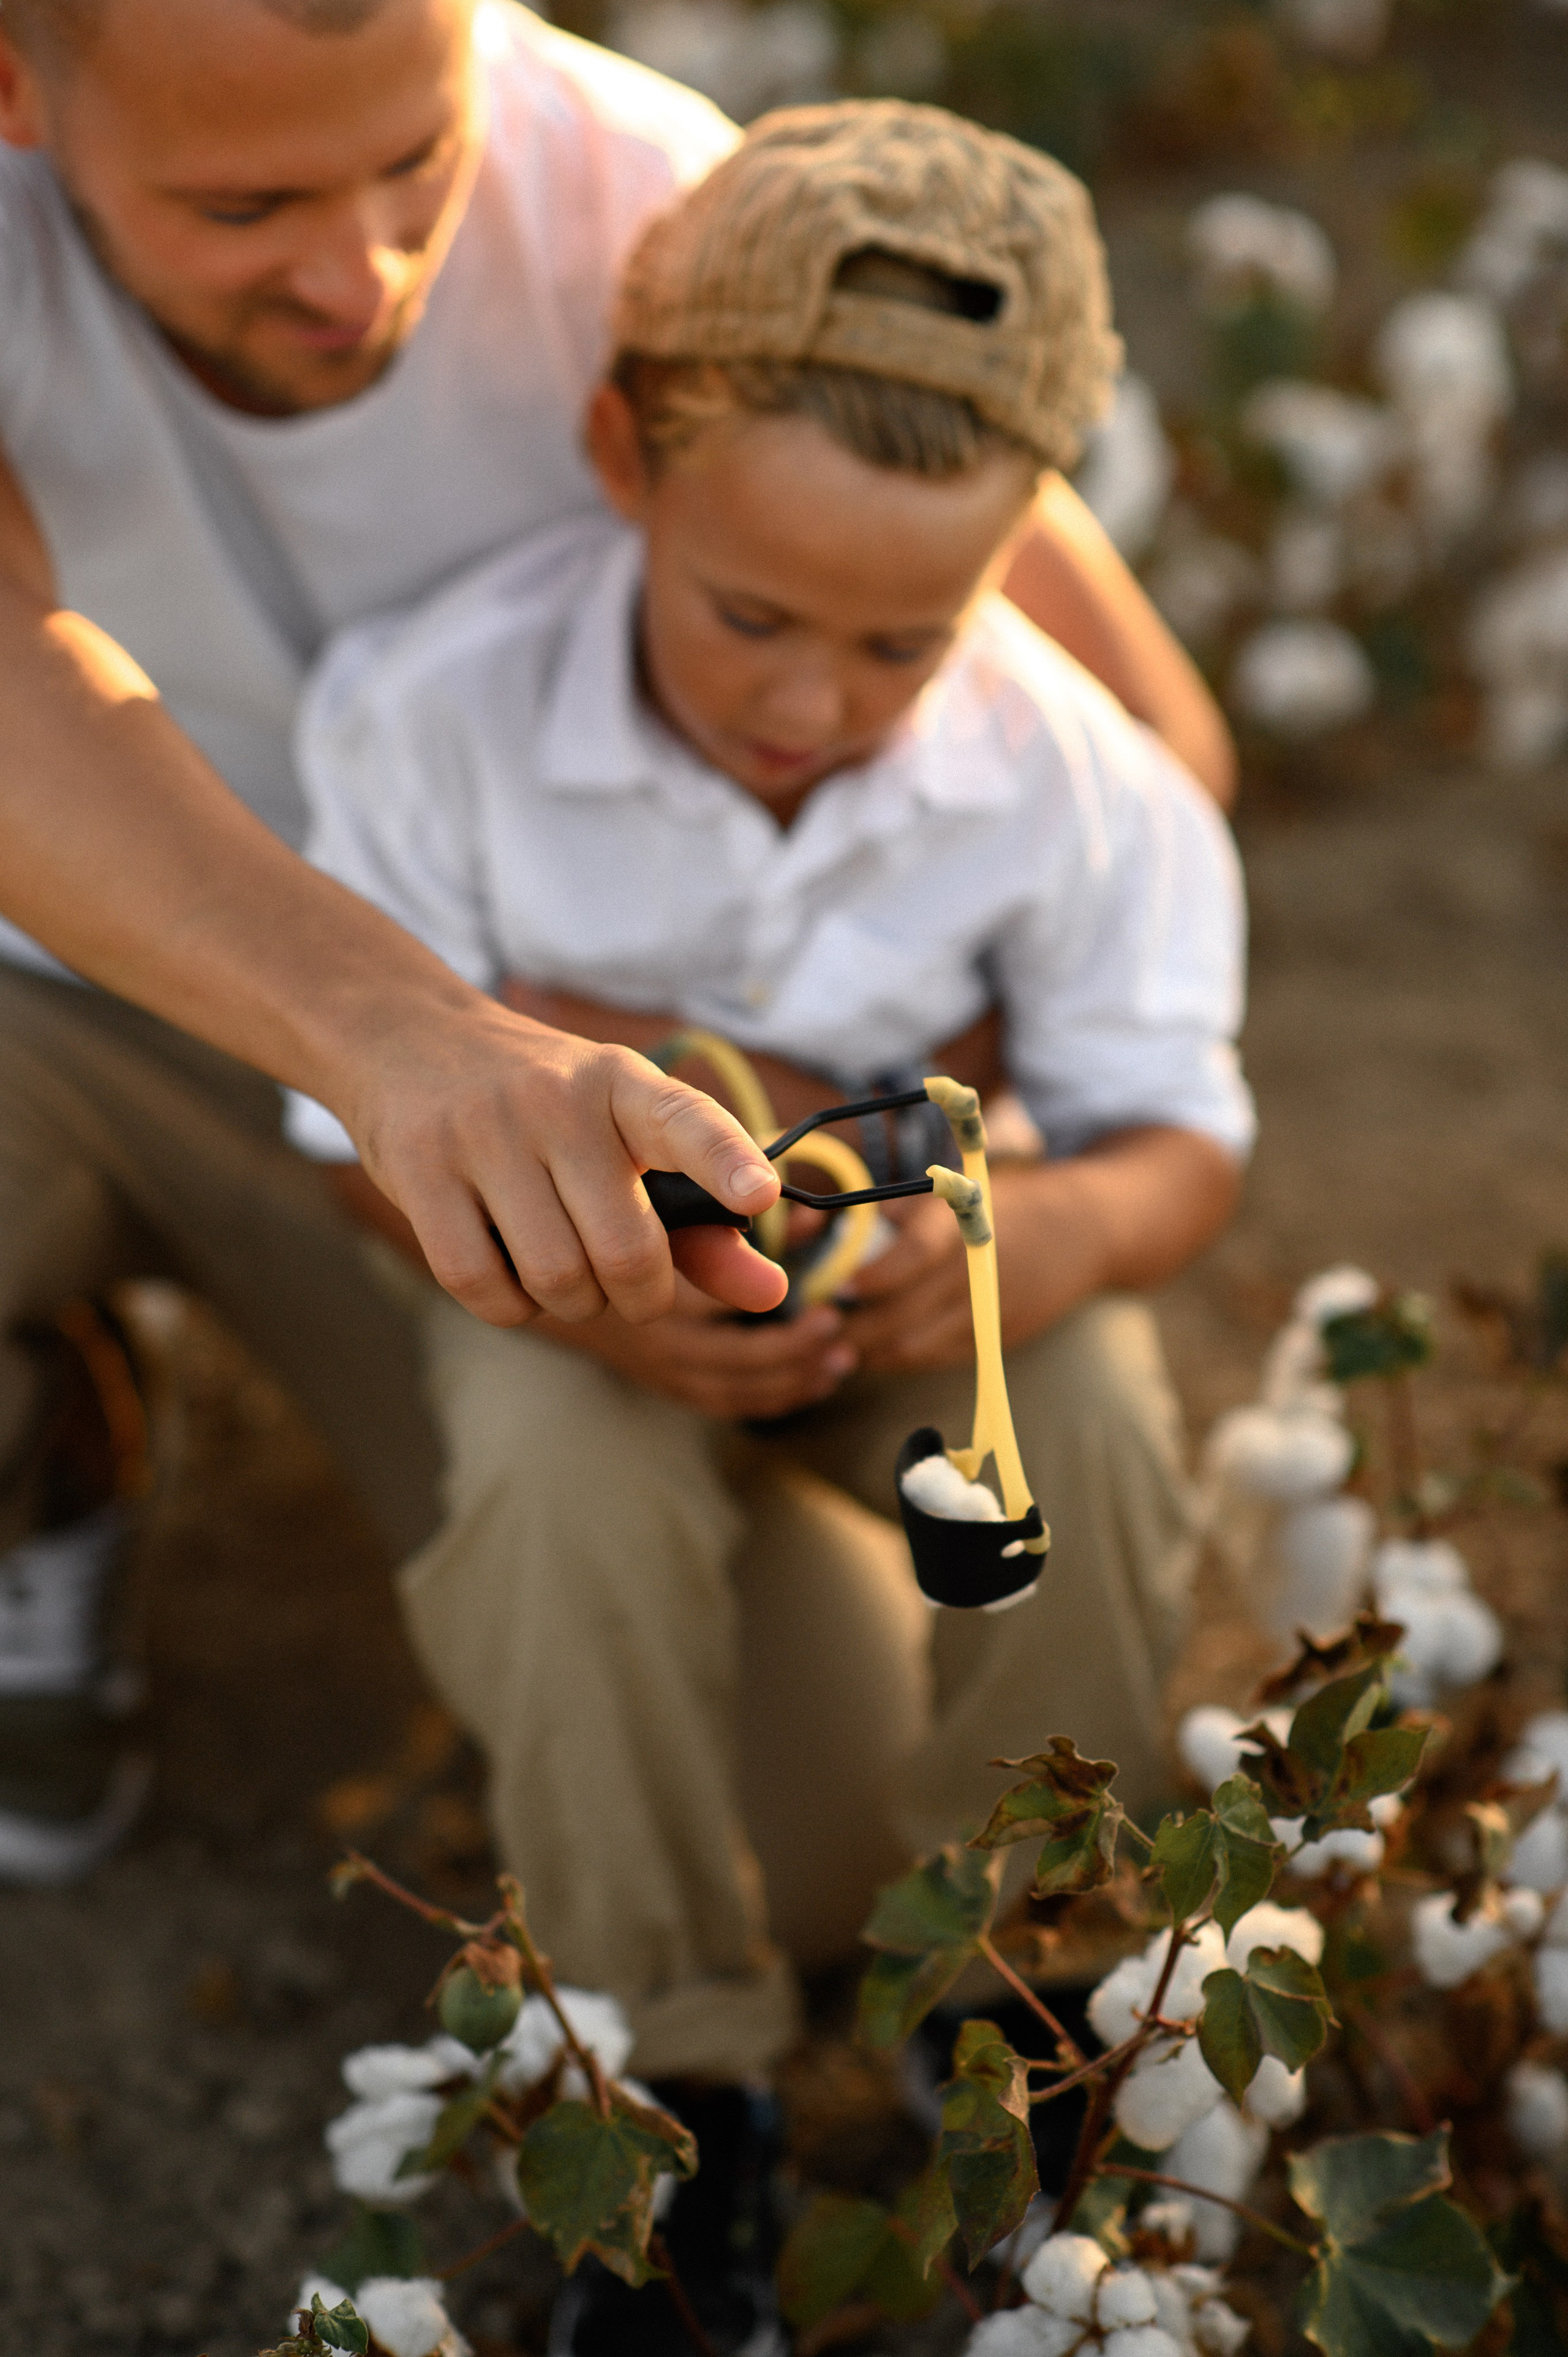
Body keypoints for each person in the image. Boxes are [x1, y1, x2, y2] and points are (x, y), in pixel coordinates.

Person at [0, 0, 1232, 1884]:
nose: (363, 270)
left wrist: (860, 1122)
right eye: (244, 202)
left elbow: (1139, 753)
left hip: (506, 1096)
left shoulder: (677, 223)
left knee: (795, 1861)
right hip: (94, 1026)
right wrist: (424, 1038)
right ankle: (42, 1438)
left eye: (418, 156)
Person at [288, 101, 1254, 2353]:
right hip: (559, 1305)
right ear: (626, 457)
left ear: (1019, 557)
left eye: (908, 644)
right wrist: (601, 1311)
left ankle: (1013, 1987)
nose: (815, 702)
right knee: (548, 1473)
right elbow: (342, 1132)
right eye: (752, 617)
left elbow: (1174, 1144)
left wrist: (1047, 1227)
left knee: (1086, 1413)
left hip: (920, 1300)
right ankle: (658, 2072)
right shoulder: (433, 717)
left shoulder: (1080, 781)